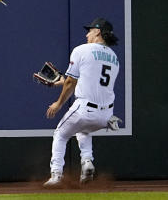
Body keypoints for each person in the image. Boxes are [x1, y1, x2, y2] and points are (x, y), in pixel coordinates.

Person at [43, 17, 120, 188]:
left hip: (85, 109)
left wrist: (58, 103)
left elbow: (72, 82)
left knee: (60, 134)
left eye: (90, 30)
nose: (87, 35)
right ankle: (87, 162)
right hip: (106, 115)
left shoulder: (81, 50)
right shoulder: (114, 57)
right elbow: (89, 79)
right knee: (83, 130)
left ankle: (56, 175)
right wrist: (62, 80)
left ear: (98, 32)